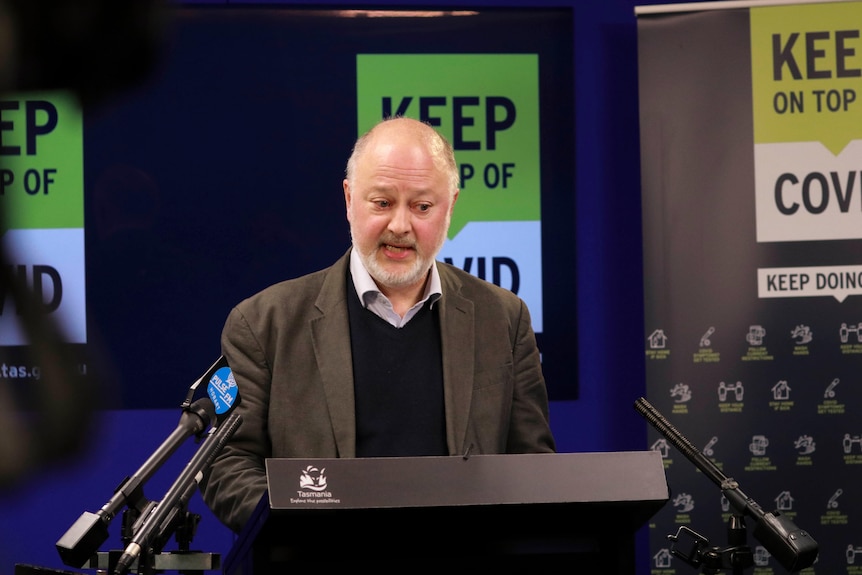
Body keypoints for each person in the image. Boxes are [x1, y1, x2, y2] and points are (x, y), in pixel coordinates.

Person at [202, 117, 555, 532]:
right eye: (382, 203)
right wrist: (311, 536)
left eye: (422, 206)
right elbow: (226, 464)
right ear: (349, 198)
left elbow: (533, 467)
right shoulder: (265, 323)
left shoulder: (504, 318)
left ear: (452, 207)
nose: (400, 226)